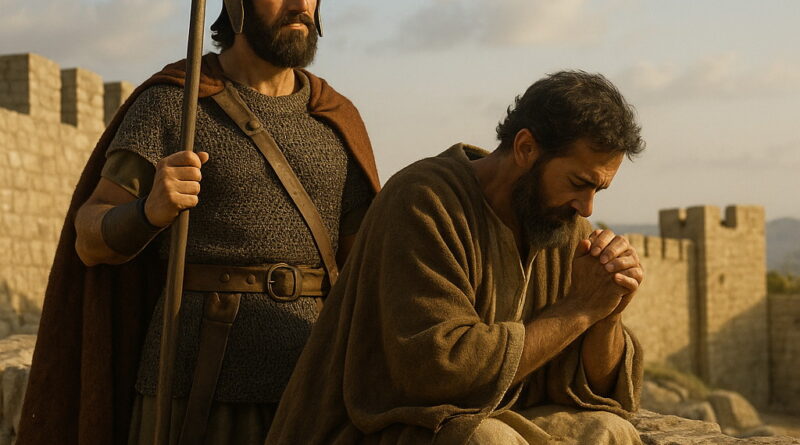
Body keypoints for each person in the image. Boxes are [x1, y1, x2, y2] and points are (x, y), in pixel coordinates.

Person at [16, 1, 380, 444]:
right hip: (196, 386)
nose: (301, 5)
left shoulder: (335, 120)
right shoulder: (175, 103)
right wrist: (147, 211)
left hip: (309, 386)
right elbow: (90, 236)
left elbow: (365, 270)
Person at [266, 71, 646, 445]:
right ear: (526, 148)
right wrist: (579, 309)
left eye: (599, 188)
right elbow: (439, 370)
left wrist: (605, 314)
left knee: (610, 431)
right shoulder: (425, 201)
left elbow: (598, 390)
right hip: (378, 425)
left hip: (491, 418)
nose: (587, 206)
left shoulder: (560, 224)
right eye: (579, 183)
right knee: (486, 441)